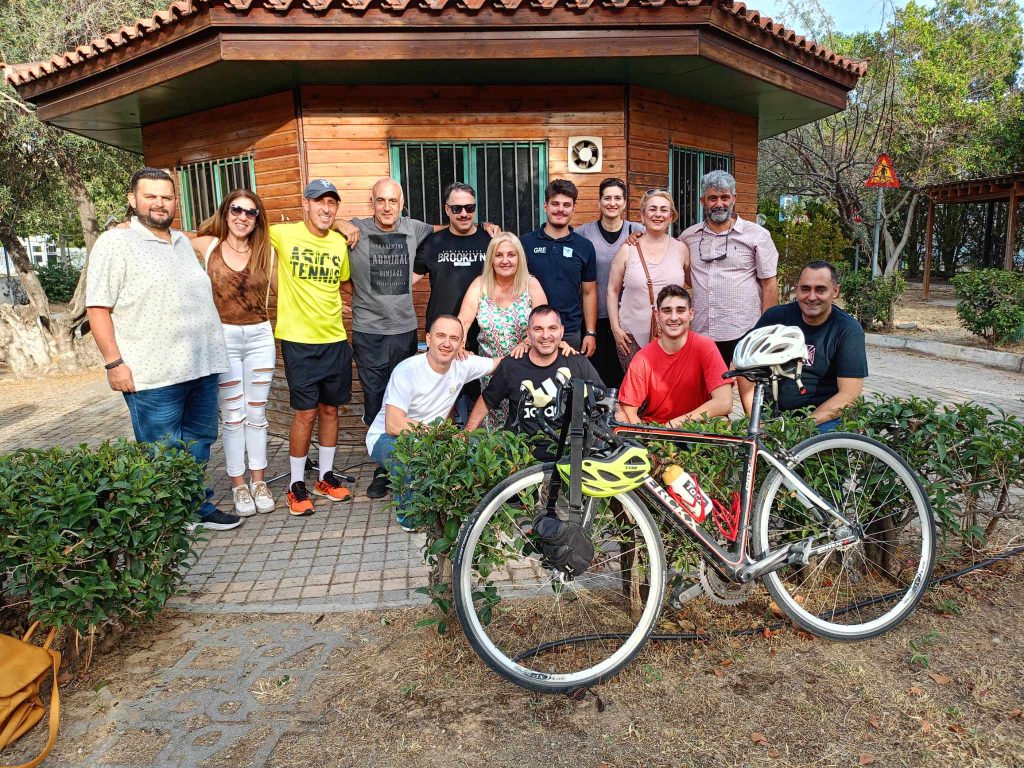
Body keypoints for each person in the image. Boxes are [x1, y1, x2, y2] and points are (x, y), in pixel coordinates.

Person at [85, 167, 240, 531]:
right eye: (150, 196)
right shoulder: (115, 243)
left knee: (199, 442)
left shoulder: (182, 243)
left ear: (175, 202)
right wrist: (114, 363)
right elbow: (97, 308)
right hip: (152, 374)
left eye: (166, 197)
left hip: (201, 367)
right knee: (161, 448)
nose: (159, 203)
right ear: (132, 199)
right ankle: (167, 519)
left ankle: (195, 506)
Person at [339, 177, 437, 498]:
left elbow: (449, 230)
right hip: (368, 333)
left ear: (402, 204)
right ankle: (383, 466)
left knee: (403, 401)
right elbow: (318, 224)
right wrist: (339, 223)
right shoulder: (355, 229)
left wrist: (485, 227)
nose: (386, 207)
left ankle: (403, 462)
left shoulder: (414, 228)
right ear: (372, 203)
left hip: (404, 330)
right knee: (374, 399)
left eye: (392, 201)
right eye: (380, 200)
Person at [365, 315, 499, 530]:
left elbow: (503, 363)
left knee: (477, 449)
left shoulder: (463, 364)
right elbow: (393, 424)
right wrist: (439, 435)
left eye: (454, 338)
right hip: (386, 438)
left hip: (430, 438)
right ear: (428, 339)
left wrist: (529, 344)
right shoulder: (407, 370)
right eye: (441, 336)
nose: (447, 343)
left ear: (461, 343)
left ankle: (463, 510)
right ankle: (409, 516)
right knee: (411, 456)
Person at [270, 179, 354, 517]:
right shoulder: (282, 234)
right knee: (305, 412)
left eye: (332, 203)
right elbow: (238, 231)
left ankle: (325, 477)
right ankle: (295, 484)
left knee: (330, 410)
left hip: (334, 338)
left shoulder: (338, 244)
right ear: (305, 203)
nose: (326, 208)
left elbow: (342, 284)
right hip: (299, 340)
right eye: (319, 201)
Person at [192, 190, 277, 517]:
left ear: (257, 218)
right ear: (226, 212)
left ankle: (259, 481)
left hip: (259, 337)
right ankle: (238, 484)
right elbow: (168, 237)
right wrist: (128, 227)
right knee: (232, 415)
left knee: (256, 413)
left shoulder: (266, 252)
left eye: (250, 212)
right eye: (236, 210)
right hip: (223, 337)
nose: (243, 217)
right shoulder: (208, 246)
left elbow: (287, 292)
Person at [737, 261, 867, 431]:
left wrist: (801, 428)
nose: (811, 297)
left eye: (820, 290)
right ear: (797, 289)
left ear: (835, 291)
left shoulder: (848, 330)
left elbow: (849, 396)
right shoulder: (775, 317)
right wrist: (755, 419)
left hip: (824, 419)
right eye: (805, 289)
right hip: (773, 416)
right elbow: (741, 367)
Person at [466, 305, 603, 460]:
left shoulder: (577, 363)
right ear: (528, 332)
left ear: (561, 331)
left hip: (568, 455)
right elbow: (487, 400)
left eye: (552, 328)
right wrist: (466, 435)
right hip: (521, 457)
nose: (546, 335)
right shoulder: (512, 365)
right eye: (538, 329)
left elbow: (603, 400)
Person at [678, 170, 779, 364]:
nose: (719, 204)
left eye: (724, 197)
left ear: (734, 198)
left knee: (745, 384)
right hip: (702, 332)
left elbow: (769, 284)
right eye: (712, 198)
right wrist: (637, 235)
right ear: (702, 201)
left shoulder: (757, 235)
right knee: (706, 383)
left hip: (745, 331)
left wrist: (766, 329)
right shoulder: (688, 237)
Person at [413, 182, 492, 425]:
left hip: (482, 334)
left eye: (470, 207)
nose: (464, 213)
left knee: (483, 396)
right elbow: (406, 281)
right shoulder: (432, 243)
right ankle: (445, 446)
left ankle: (478, 446)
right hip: (444, 336)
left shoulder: (490, 241)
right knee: (441, 398)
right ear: (447, 210)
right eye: (457, 209)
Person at [457, 232, 548, 429]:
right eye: (499, 255)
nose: (505, 260)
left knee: (525, 424)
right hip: (491, 372)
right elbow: (463, 321)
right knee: (494, 428)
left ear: (519, 258)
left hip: (525, 367)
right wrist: (459, 345)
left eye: (511, 255)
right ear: (491, 259)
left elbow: (544, 324)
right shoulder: (480, 284)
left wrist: (526, 343)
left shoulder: (531, 284)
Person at [617, 285, 732, 427]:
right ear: (657, 315)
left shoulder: (705, 347)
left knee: (723, 422)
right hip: (657, 432)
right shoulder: (643, 358)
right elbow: (628, 411)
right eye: (667, 311)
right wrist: (646, 436)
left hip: (698, 428)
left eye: (680, 310)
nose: (673, 317)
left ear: (691, 314)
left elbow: (725, 402)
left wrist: (674, 425)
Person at [607, 189, 688, 371]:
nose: (658, 214)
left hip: (672, 332)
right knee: (638, 386)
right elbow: (612, 290)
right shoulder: (627, 249)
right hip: (631, 336)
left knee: (669, 385)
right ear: (642, 216)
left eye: (663, 210)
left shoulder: (681, 249)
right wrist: (615, 328)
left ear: (671, 216)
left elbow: (693, 283)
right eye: (652, 209)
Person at [575, 177, 643, 389]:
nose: (612, 203)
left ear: (625, 203)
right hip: (593, 318)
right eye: (607, 198)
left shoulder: (638, 231)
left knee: (627, 378)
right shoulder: (582, 233)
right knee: (597, 378)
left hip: (628, 319)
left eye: (617, 198)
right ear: (599, 202)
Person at [520, 179, 598, 355]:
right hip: (531, 331)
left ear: (573, 209)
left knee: (568, 374)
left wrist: (590, 332)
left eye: (566, 205)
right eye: (555, 204)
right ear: (545, 206)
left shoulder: (584, 247)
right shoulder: (525, 243)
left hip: (569, 331)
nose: (560, 209)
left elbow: (589, 292)